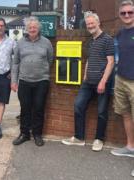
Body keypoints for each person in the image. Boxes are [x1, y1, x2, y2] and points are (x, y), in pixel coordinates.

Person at [62, 11, 114, 151]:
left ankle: (99, 139)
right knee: (78, 105)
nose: (90, 26)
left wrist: (103, 81)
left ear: (98, 23)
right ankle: (79, 137)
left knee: (101, 111)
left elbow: (111, 62)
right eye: (88, 24)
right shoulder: (90, 41)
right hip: (88, 82)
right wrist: (85, 76)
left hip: (102, 82)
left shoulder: (107, 39)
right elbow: (89, 60)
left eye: (92, 23)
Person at [11, 16, 53, 146]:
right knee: (25, 108)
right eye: (30, 27)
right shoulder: (20, 43)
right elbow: (15, 62)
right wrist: (14, 81)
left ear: (38, 28)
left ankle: (37, 134)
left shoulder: (46, 42)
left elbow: (50, 59)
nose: (32, 29)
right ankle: (24, 133)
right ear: (26, 29)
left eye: (34, 27)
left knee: (39, 108)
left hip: (41, 81)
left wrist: (42, 70)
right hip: (24, 81)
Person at [109, 0, 134, 177]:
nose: (126, 15)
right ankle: (130, 146)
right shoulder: (119, 34)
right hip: (121, 79)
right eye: (123, 13)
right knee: (125, 114)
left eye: (130, 12)